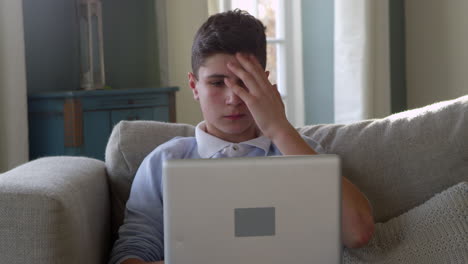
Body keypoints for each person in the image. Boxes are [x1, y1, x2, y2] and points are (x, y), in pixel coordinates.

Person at [109, 9, 374, 264]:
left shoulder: (300, 151)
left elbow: (358, 233)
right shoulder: (163, 163)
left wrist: (279, 129)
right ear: (194, 86)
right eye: (217, 82)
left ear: (264, 83)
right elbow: (130, 256)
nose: (233, 98)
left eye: (244, 82)